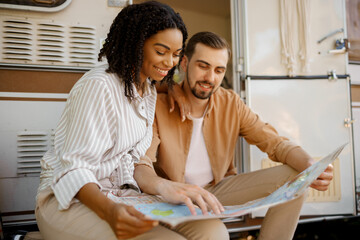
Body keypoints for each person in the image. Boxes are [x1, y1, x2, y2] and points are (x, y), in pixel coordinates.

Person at [134, 31, 334, 240]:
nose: (210, 78)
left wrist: (311, 166)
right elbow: (142, 162)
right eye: (203, 66)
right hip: (173, 198)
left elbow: (274, 143)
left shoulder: (231, 103)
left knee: (298, 178)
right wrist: (165, 187)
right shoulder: (159, 104)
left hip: (216, 190)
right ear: (184, 63)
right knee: (217, 235)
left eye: (219, 70)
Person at [35, 1, 189, 239]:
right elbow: (74, 169)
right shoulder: (99, 86)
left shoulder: (147, 91)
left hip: (118, 195)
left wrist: (164, 186)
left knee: (210, 229)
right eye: (161, 52)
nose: (170, 63)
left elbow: (135, 161)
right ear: (137, 44)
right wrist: (109, 212)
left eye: (176, 55)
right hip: (72, 201)